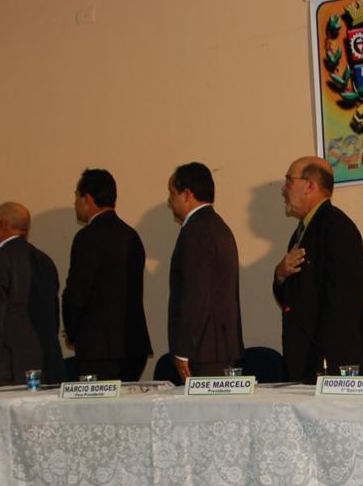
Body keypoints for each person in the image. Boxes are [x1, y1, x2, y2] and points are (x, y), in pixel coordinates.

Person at [271, 156, 363, 380]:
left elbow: (343, 305)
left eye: (289, 180)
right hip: (307, 363)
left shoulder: (336, 227)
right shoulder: (301, 233)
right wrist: (280, 275)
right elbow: (297, 301)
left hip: (334, 368)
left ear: (309, 185)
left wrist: (325, 362)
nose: (283, 188)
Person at [61, 168, 152, 381]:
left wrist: (72, 331)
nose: (75, 203)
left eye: (76, 197)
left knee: (96, 403)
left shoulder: (87, 237)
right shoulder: (131, 235)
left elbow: (77, 293)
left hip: (98, 348)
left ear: (88, 199)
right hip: (133, 345)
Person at [0, 201, 63, 385]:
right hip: (44, 365)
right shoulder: (45, 261)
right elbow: (53, 316)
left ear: (1, 225)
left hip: (7, 367)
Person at [166, 162, 243, 379]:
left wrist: (182, 350)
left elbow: (195, 294)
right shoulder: (217, 225)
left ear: (187, 194)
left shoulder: (196, 231)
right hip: (217, 347)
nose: (169, 200)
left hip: (202, 349)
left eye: (172, 192)